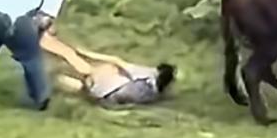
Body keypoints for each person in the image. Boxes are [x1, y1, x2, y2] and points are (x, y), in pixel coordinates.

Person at [41, 35, 176, 107]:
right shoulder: (154, 96)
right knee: (79, 86)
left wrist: (87, 53)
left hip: (105, 82)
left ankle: (48, 44)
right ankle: (52, 79)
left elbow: (116, 60)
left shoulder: (148, 74)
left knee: (87, 64)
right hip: (102, 96)